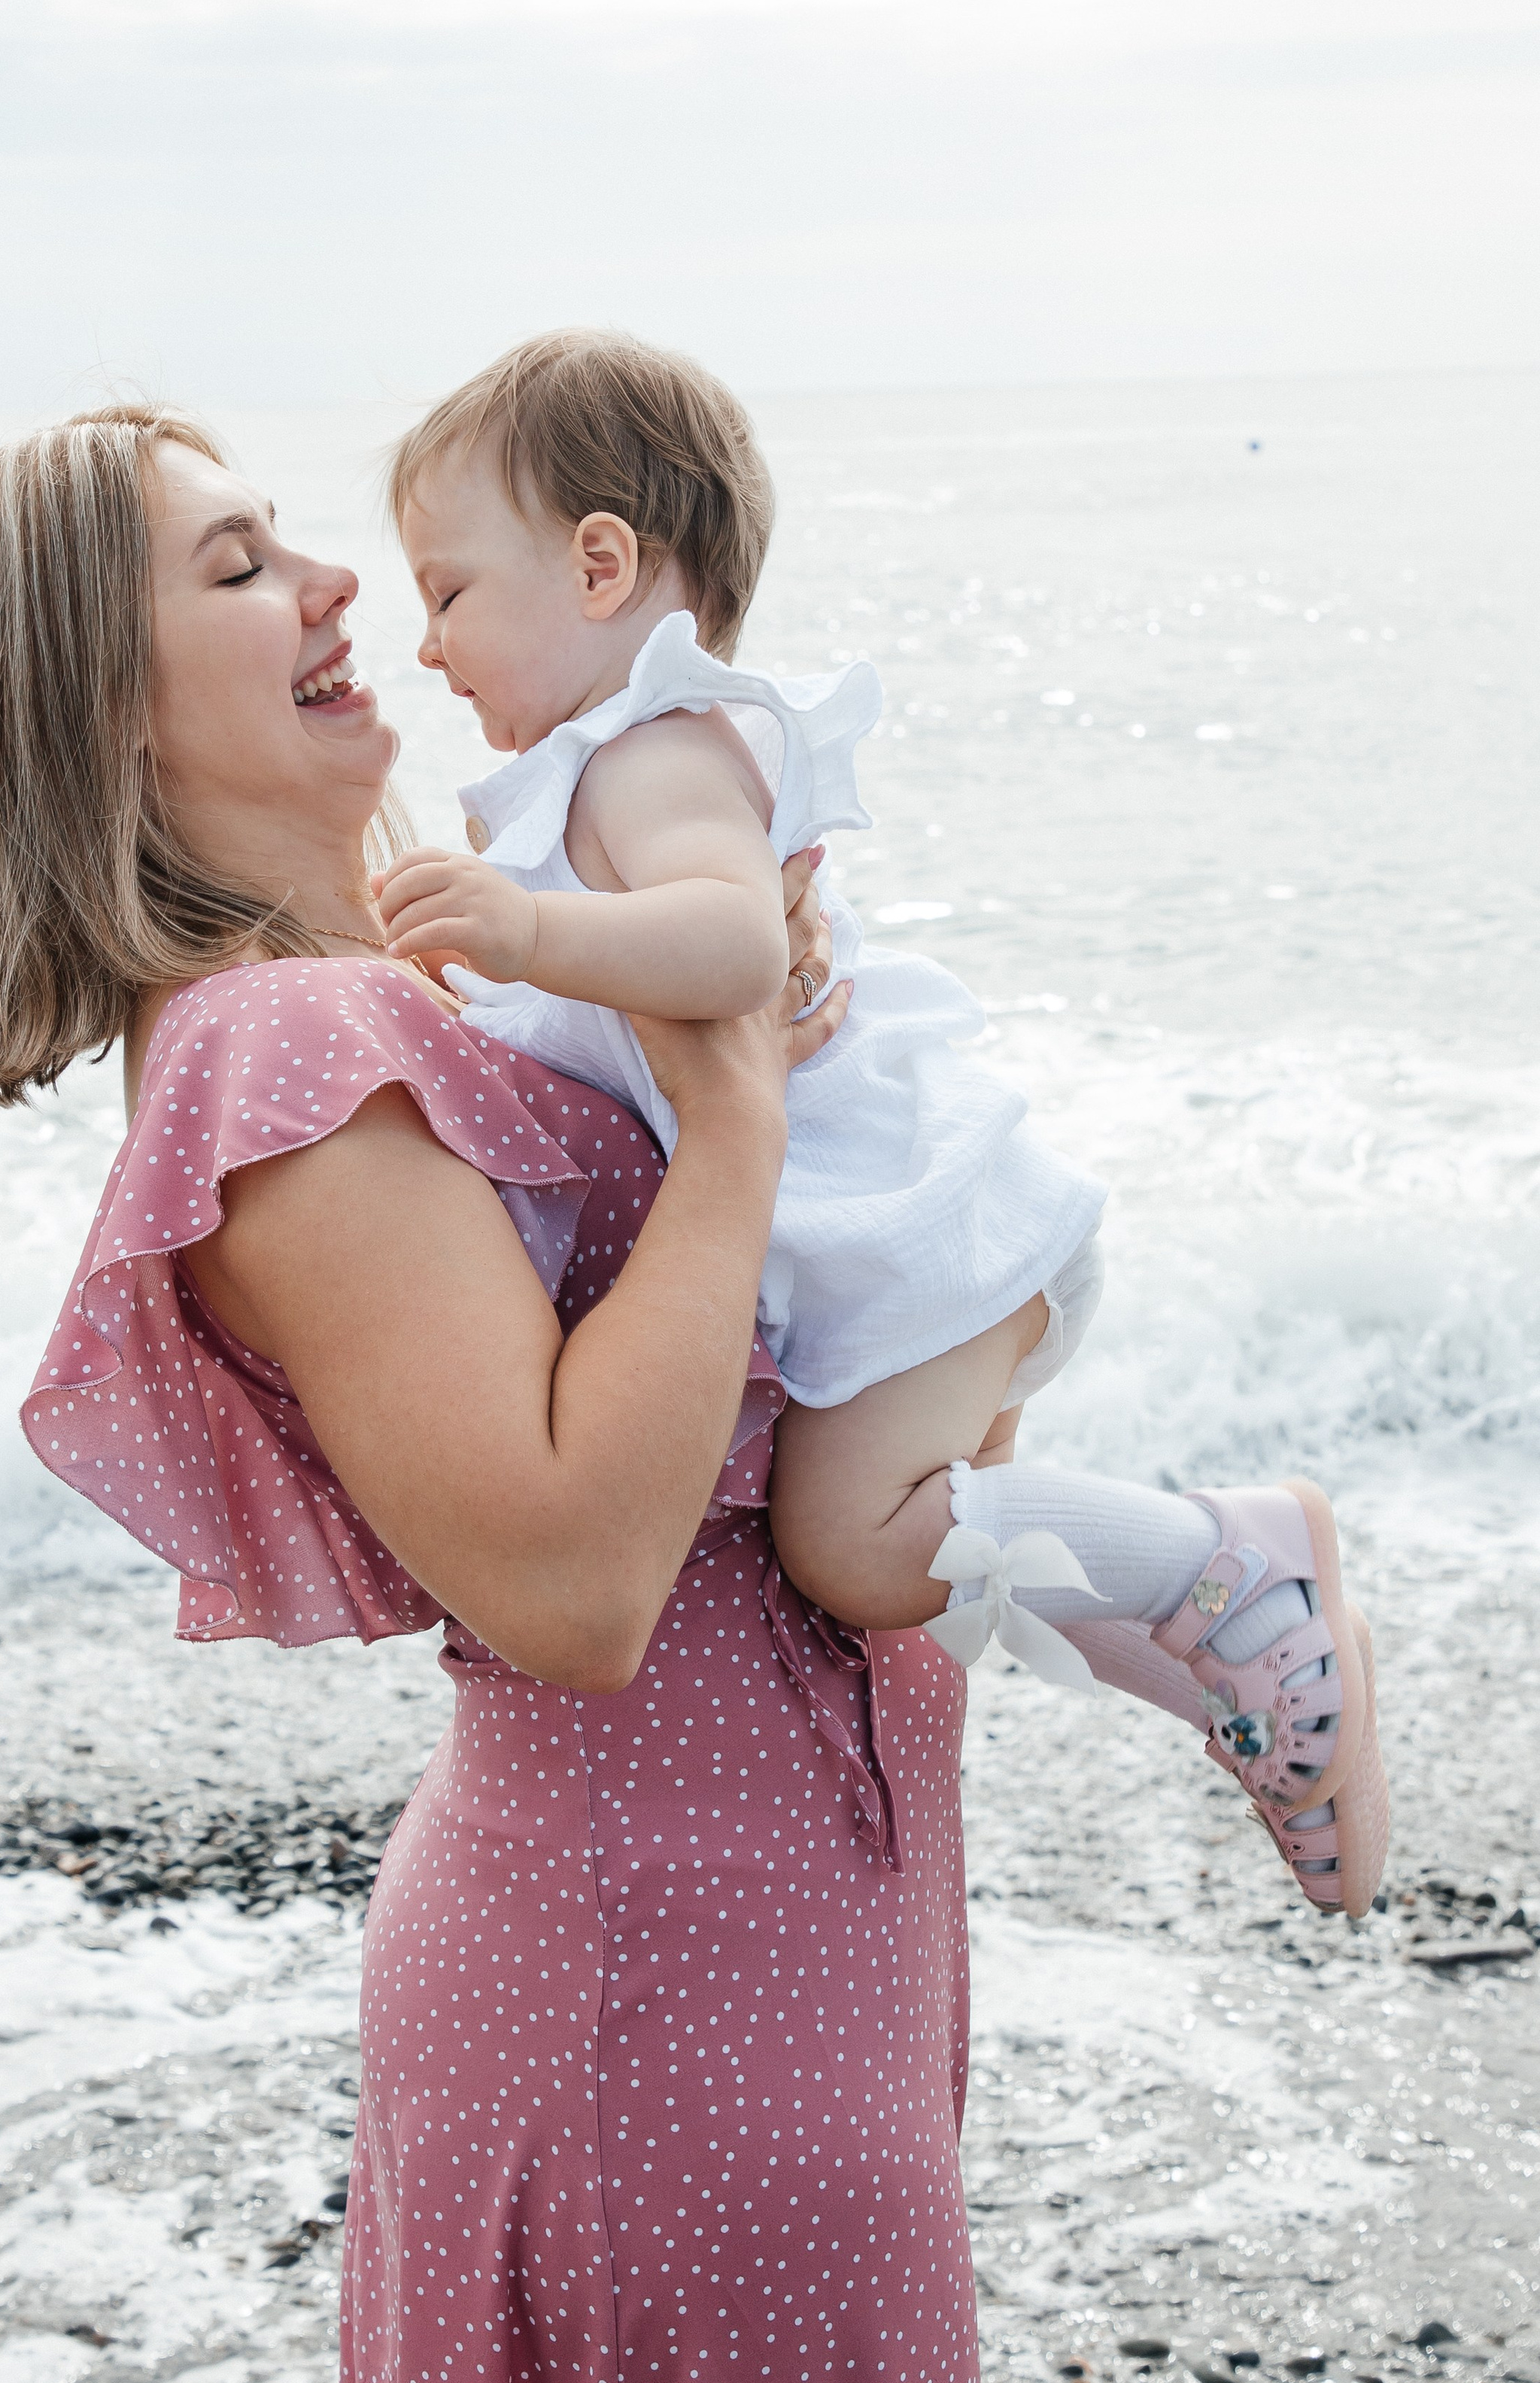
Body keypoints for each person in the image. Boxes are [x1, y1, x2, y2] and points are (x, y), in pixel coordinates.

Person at [0, 401, 989, 2383]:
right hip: (665, 1995)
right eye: (243, 564)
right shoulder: (279, 1052)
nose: (340, 584)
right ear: (98, 695)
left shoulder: (442, 978)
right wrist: (728, 1122)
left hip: (778, 1938)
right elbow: (570, 1579)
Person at [376, 330, 1390, 1916]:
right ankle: (1247, 1695)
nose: (424, 646)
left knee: (856, 1549)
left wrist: (518, 934)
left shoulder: (642, 756)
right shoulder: (607, 771)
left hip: (909, 1246)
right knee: (958, 1569)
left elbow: (728, 949)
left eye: (443, 591)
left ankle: (1232, 1562)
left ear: (595, 566)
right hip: (894, 1260)